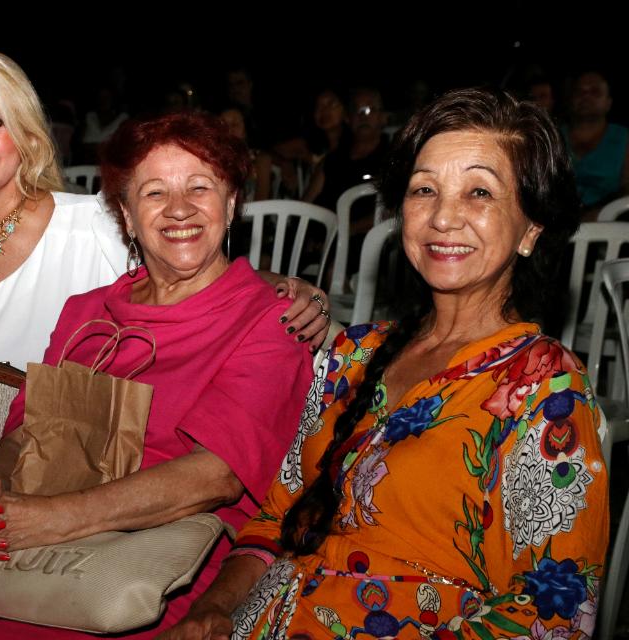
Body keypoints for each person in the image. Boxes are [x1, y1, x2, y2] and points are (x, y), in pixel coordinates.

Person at [0, 48, 331, 639]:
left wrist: (42, 520)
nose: (178, 209)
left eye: (200, 188)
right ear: (126, 214)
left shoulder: (259, 317)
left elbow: (217, 477)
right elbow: (25, 430)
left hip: (154, 561)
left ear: (233, 202)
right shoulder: (86, 310)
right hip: (36, 533)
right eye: (154, 194)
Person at [163, 88, 609, 640]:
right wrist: (212, 609)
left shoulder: (544, 385)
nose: (444, 216)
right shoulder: (352, 355)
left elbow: (554, 616)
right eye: (425, 189)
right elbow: (277, 516)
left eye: (479, 192)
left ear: (531, 229)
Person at [562, 70, 629, 218]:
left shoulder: (624, 138)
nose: (586, 96)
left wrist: (598, 213)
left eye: (595, 92)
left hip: (609, 222)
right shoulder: (552, 136)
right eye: (579, 92)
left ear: (608, 103)